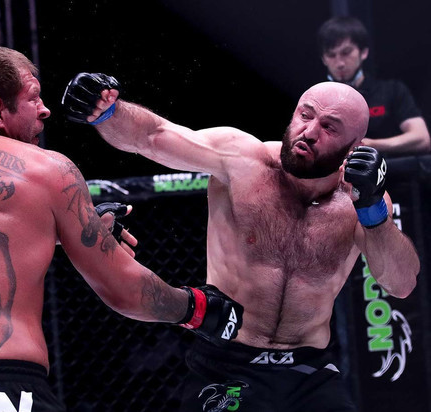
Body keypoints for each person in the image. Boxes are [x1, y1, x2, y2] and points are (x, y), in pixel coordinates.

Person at [0, 46, 244, 412]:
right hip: (3, 389)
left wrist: (67, 232)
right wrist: (198, 309)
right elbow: (126, 292)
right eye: (33, 97)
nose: (45, 110)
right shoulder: (46, 168)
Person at [62, 73, 421, 411]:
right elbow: (153, 135)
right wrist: (106, 109)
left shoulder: (361, 201)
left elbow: (401, 284)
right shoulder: (242, 159)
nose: (310, 132)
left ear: (355, 147)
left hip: (310, 370)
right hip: (225, 362)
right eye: (305, 115)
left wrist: (373, 210)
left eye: (329, 127)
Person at [317, 16, 430, 157]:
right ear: (323, 59)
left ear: (363, 52)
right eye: (331, 55)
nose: (340, 63)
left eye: (346, 52)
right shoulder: (316, 100)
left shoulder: (392, 91)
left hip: (390, 168)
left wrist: (370, 145)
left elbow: (422, 138)